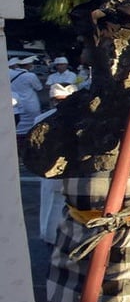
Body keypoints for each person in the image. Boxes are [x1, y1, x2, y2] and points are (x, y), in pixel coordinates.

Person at [36, 84, 77, 246]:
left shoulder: (42, 118)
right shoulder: (42, 119)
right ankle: (50, 237)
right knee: (51, 204)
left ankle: (51, 237)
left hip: (67, 171)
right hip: (52, 170)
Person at [9, 56, 43, 154]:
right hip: (31, 104)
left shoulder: (9, 73)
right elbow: (39, 87)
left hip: (15, 102)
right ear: (29, 65)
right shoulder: (31, 76)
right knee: (33, 125)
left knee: (18, 126)